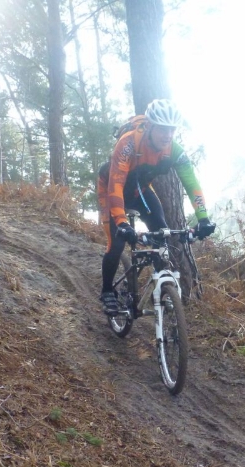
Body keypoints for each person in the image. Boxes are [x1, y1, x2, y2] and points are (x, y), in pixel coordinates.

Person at [97, 99, 216, 315]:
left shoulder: (174, 150)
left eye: (172, 130)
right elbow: (116, 184)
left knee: (162, 232)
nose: (167, 135)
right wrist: (121, 222)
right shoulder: (129, 143)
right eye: (162, 129)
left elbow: (192, 183)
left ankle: (162, 287)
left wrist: (203, 218)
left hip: (140, 191)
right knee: (116, 242)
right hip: (112, 190)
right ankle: (107, 291)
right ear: (150, 125)